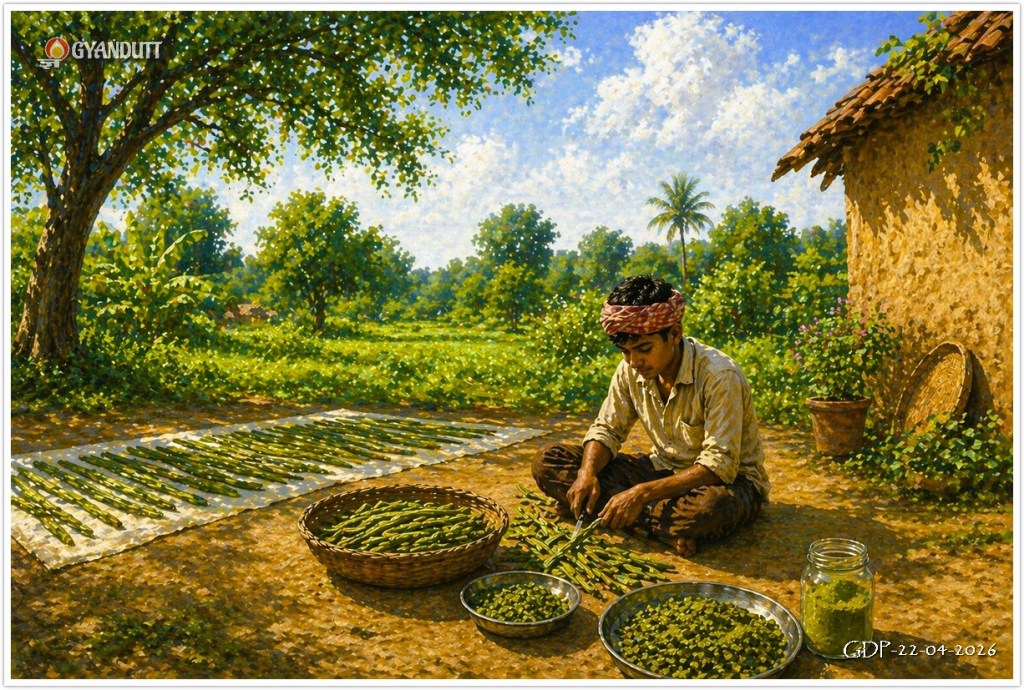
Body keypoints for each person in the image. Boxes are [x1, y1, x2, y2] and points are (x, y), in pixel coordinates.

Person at [532, 275, 770, 557]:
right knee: (548, 461)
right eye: (625, 352)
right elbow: (607, 429)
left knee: (711, 509)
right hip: (661, 469)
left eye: (644, 349)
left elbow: (720, 466)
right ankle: (655, 527)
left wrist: (639, 494)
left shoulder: (719, 375)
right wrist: (587, 474)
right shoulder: (630, 369)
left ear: (675, 334)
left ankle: (613, 513)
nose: (634, 362)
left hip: (727, 483)